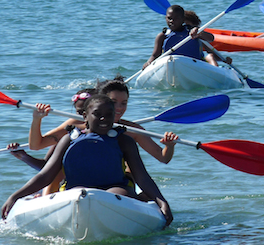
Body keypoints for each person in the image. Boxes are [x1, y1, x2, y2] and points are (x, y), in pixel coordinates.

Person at [1, 94, 173, 228]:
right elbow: (46, 175)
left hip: (115, 190)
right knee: (77, 195)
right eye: (98, 115)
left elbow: (142, 177)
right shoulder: (68, 140)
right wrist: (15, 197)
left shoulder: (124, 141)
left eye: (109, 115)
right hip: (78, 190)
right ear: (85, 116)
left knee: (117, 194)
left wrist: (162, 202)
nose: (104, 119)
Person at [11, 78, 178, 196]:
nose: (119, 108)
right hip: (79, 182)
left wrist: (169, 146)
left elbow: (163, 158)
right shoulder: (76, 126)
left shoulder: (131, 130)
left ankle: (138, 198)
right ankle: (46, 196)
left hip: (117, 185)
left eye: (124, 103)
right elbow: (36, 145)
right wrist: (37, 120)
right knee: (59, 168)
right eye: (113, 102)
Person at [143, 4, 215, 69]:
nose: (172, 21)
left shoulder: (192, 31)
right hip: (171, 67)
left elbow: (211, 38)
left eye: (176, 18)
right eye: (169, 18)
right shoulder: (162, 36)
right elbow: (155, 55)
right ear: (165, 18)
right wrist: (149, 62)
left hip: (195, 66)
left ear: (183, 20)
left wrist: (200, 33)